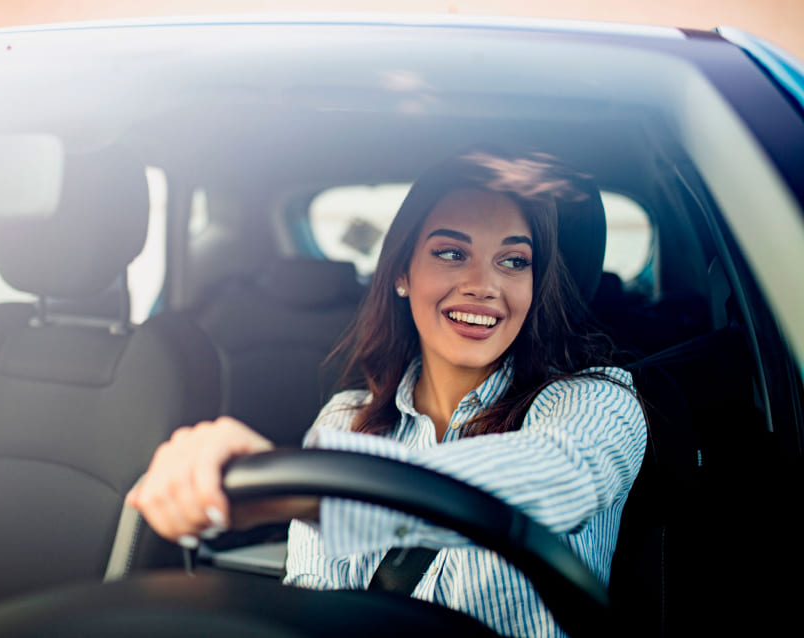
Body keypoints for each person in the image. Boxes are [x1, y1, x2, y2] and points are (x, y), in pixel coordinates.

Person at [126, 150, 647, 638]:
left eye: (514, 262)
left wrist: (311, 492)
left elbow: (559, 476)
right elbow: (314, 601)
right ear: (402, 272)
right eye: (451, 252)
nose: (482, 285)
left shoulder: (597, 403)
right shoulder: (345, 420)